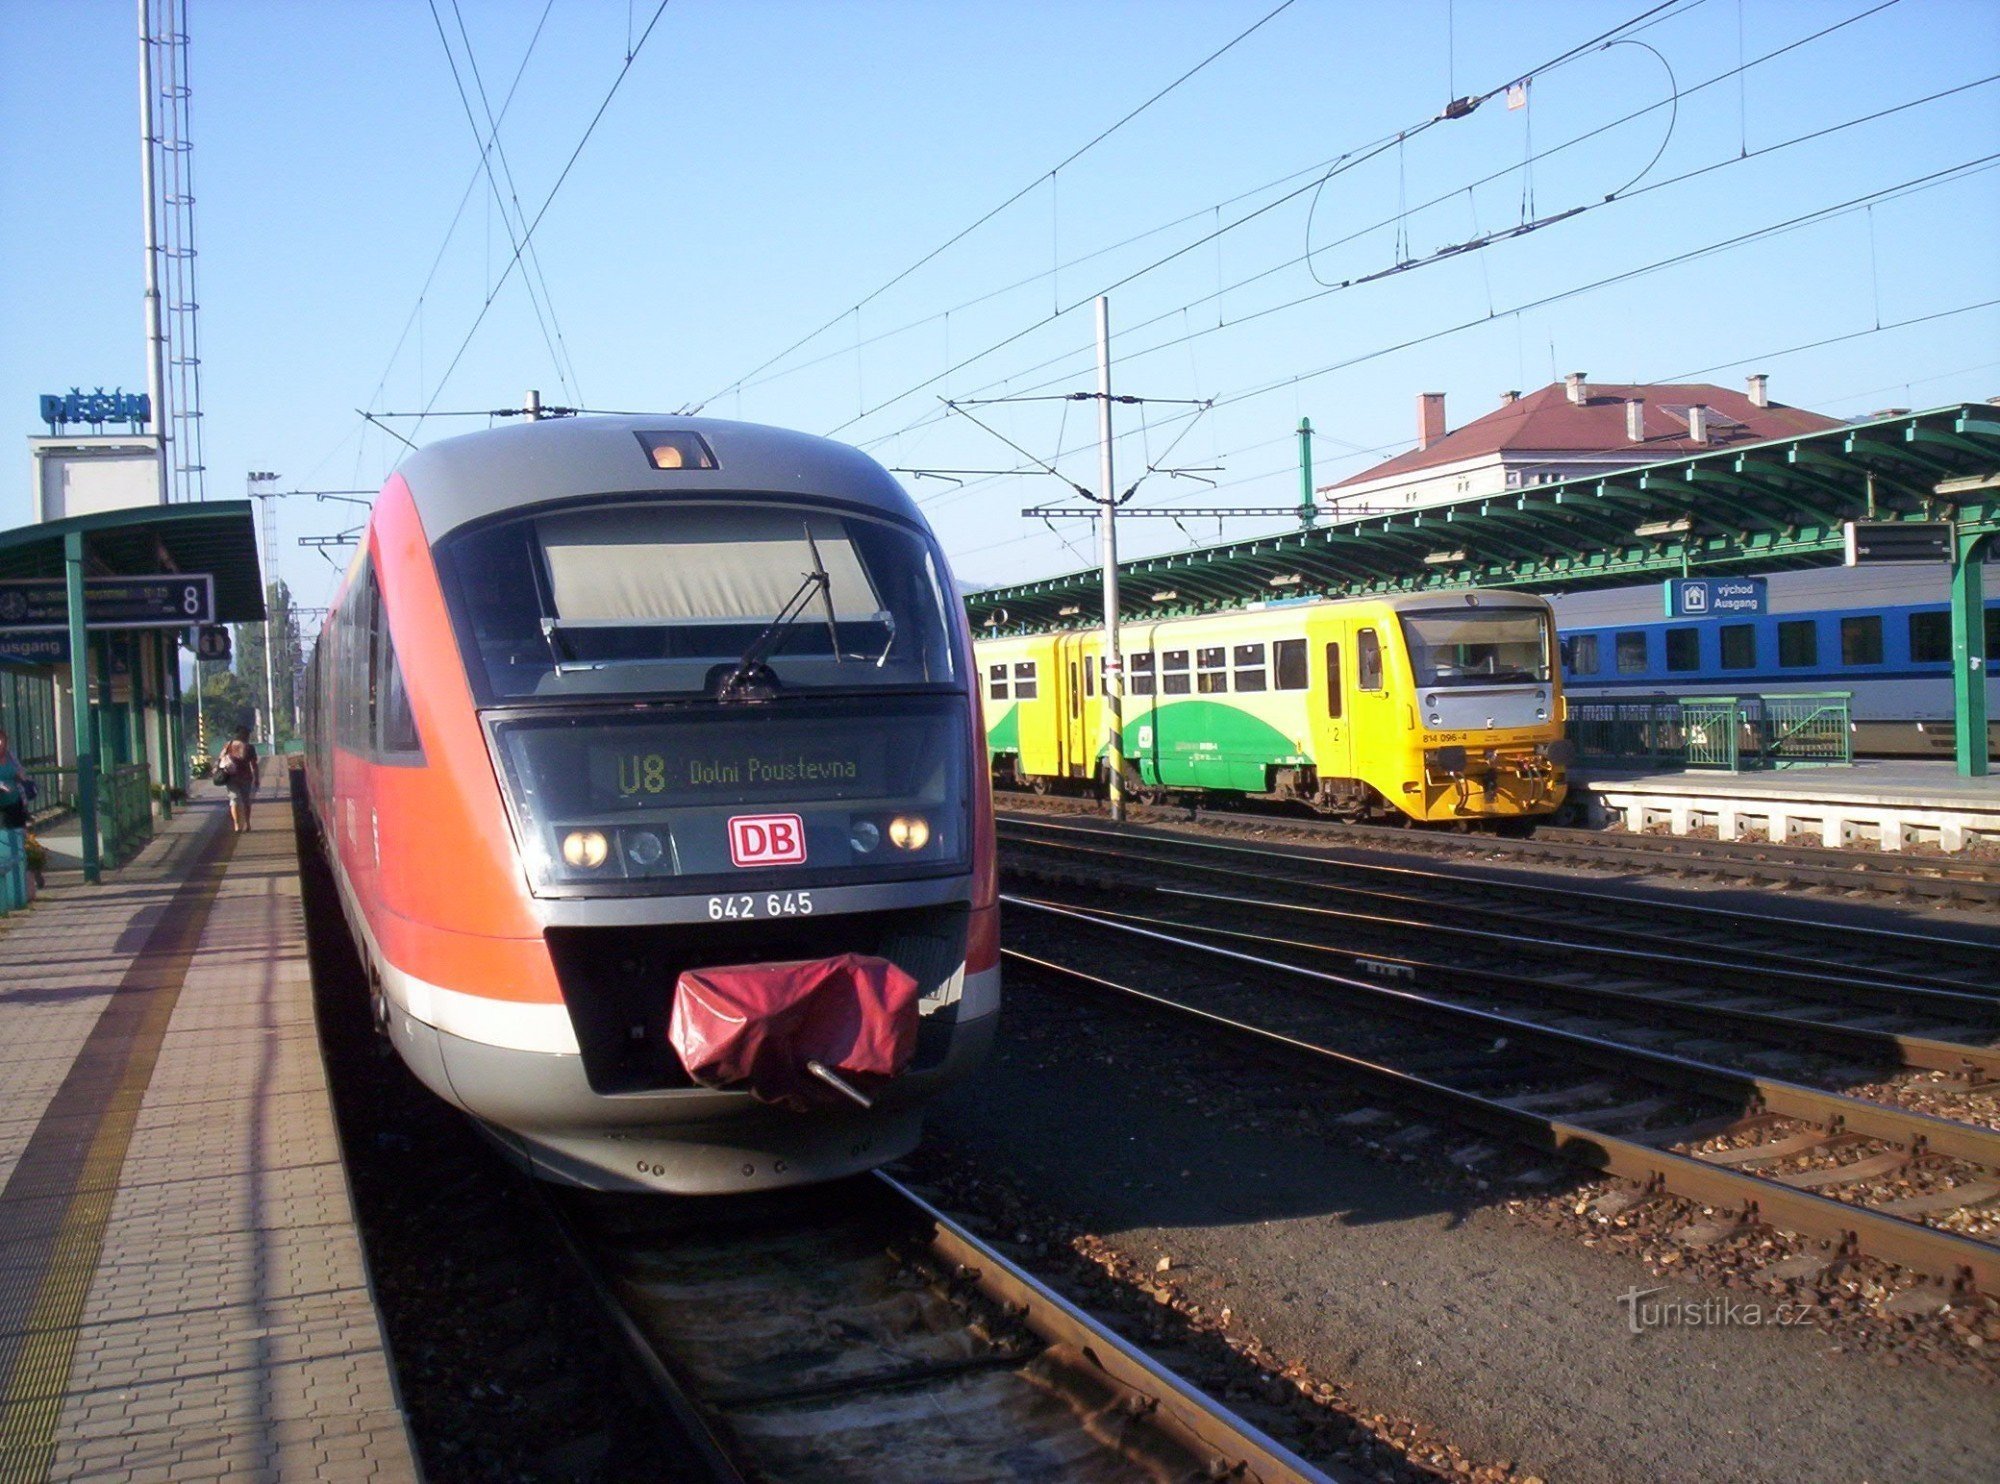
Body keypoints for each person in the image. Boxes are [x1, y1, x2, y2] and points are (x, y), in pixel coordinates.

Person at [0, 728, 27, 899]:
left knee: (19, 836)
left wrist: (21, 776)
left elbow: (20, 772)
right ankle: (10, 892)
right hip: (1, 807)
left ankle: (21, 885)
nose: (1, 744)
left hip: (16, 802)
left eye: (2, 740)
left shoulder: (10, 755)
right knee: (5, 839)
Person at [219, 726, 261, 833]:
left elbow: (221, 759)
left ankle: (237, 825)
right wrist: (256, 778)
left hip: (230, 777)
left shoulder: (228, 745)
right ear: (245, 735)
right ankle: (247, 823)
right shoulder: (249, 747)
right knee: (246, 801)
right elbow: (254, 764)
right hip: (246, 777)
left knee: (234, 800)